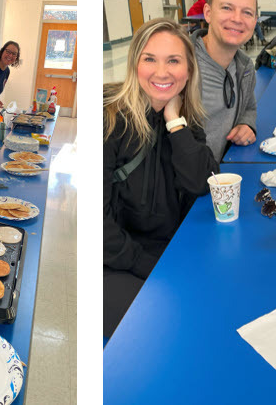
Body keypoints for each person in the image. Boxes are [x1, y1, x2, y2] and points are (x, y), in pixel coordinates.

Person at [104, 18, 218, 338]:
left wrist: (174, 121)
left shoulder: (185, 119)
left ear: (189, 69)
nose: (162, 72)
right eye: (150, 59)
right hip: (116, 261)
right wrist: (148, 265)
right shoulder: (110, 120)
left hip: (169, 251)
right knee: (167, 328)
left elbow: (203, 183)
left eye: (173, 60)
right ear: (134, 64)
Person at [193, 0, 259, 161]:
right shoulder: (181, 65)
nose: (237, 19)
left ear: (255, 21)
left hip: (223, 175)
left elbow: (249, 107)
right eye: (227, 8)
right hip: (183, 185)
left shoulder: (245, 67)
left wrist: (247, 124)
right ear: (208, 13)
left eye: (247, 12)